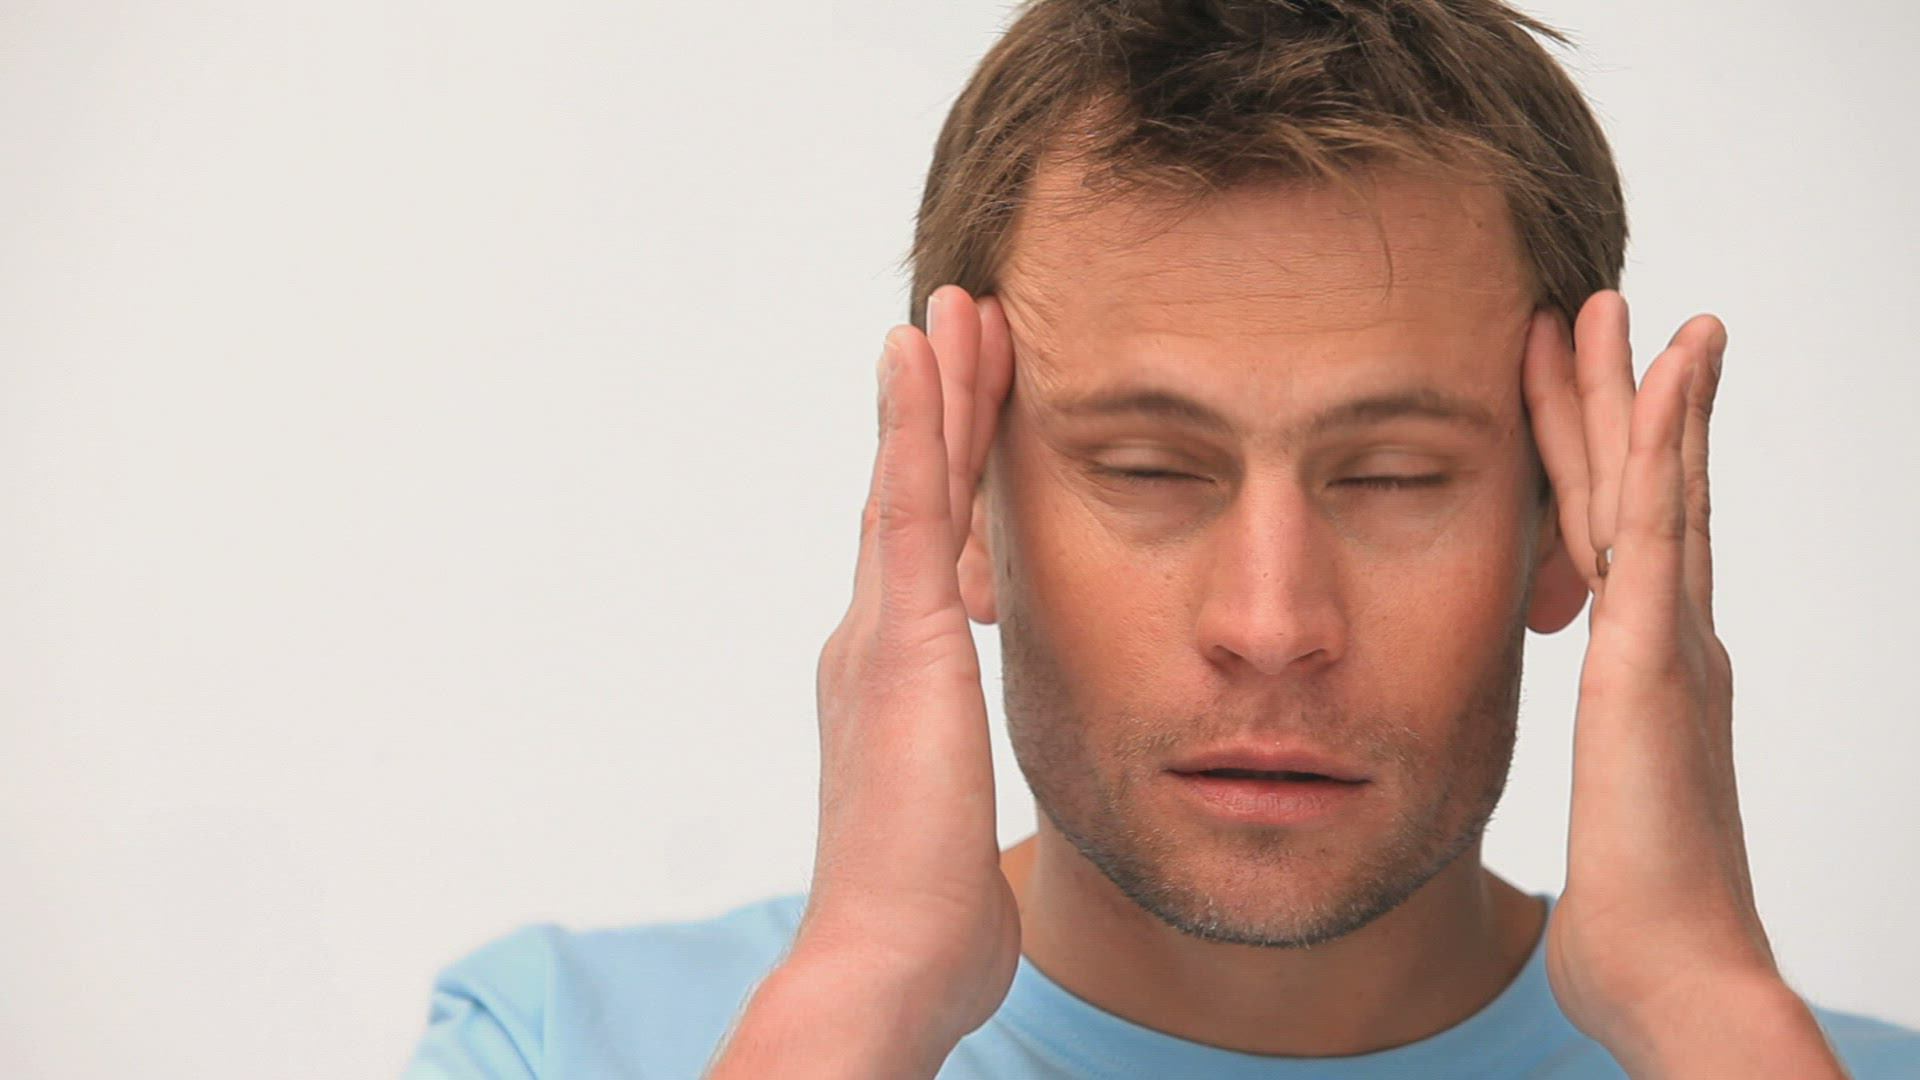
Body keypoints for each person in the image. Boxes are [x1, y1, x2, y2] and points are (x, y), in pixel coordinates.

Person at [403, 2, 1920, 1077]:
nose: (1272, 622)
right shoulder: (556, 1046)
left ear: (1567, 521)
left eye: (1395, 477)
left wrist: (1702, 1012)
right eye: (1145, 469)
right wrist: (862, 1004)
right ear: (963, 501)